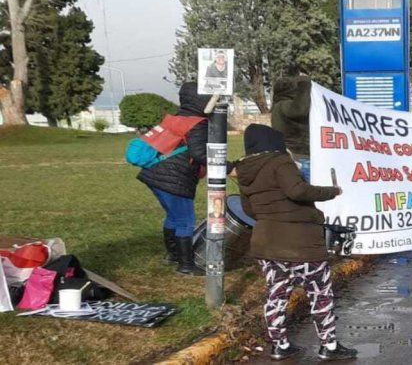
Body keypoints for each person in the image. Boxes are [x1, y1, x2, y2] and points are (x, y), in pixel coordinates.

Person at [234, 124, 357, 361]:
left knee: (277, 295)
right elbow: (297, 191)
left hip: (266, 244)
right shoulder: (280, 162)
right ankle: (329, 346)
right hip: (300, 244)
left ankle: (279, 345)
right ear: (274, 143)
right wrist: (331, 191)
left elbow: (249, 209)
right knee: (320, 293)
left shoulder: (245, 171)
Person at [137, 82, 211, 275]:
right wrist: (224, 165)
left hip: (155, 174)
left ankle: (173, 254)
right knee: (185, 220)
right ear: (201, 98)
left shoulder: (176, 118)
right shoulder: (197, 122)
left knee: (173, 215)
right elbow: (199, 152)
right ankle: (186, 265)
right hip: (174, 178)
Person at [271, 75, 311, 180]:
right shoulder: (285, 105)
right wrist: (305, 84)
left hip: (294, 156)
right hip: (299, 157)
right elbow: (300, 109)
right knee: (309, 192)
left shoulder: (278, 106)